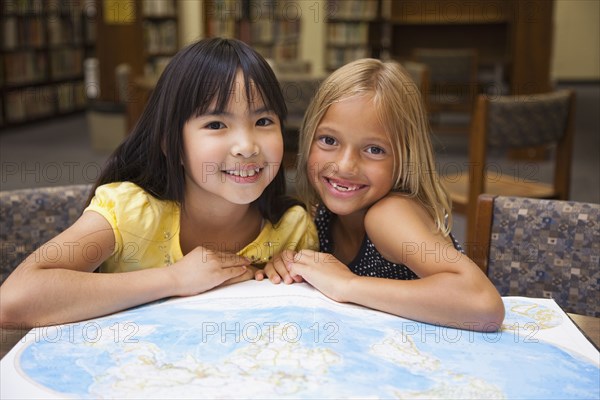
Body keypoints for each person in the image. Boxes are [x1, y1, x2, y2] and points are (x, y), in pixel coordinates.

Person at [0, 38, 317, 327]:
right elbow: (13, 301)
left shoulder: (292, 228)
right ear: (171, 143)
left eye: (263, 121)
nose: (247, 146)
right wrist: (174, 279)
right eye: (216, 123)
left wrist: (289, 274)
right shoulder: (130, 211)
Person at [260, 58, 504, 331]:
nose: (344, 165)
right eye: (329, 140)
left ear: (405, 158)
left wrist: (347, 284)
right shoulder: (324, 213)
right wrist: (295, 264)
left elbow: (484, 306)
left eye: (374, 150)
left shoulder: (388, 214)